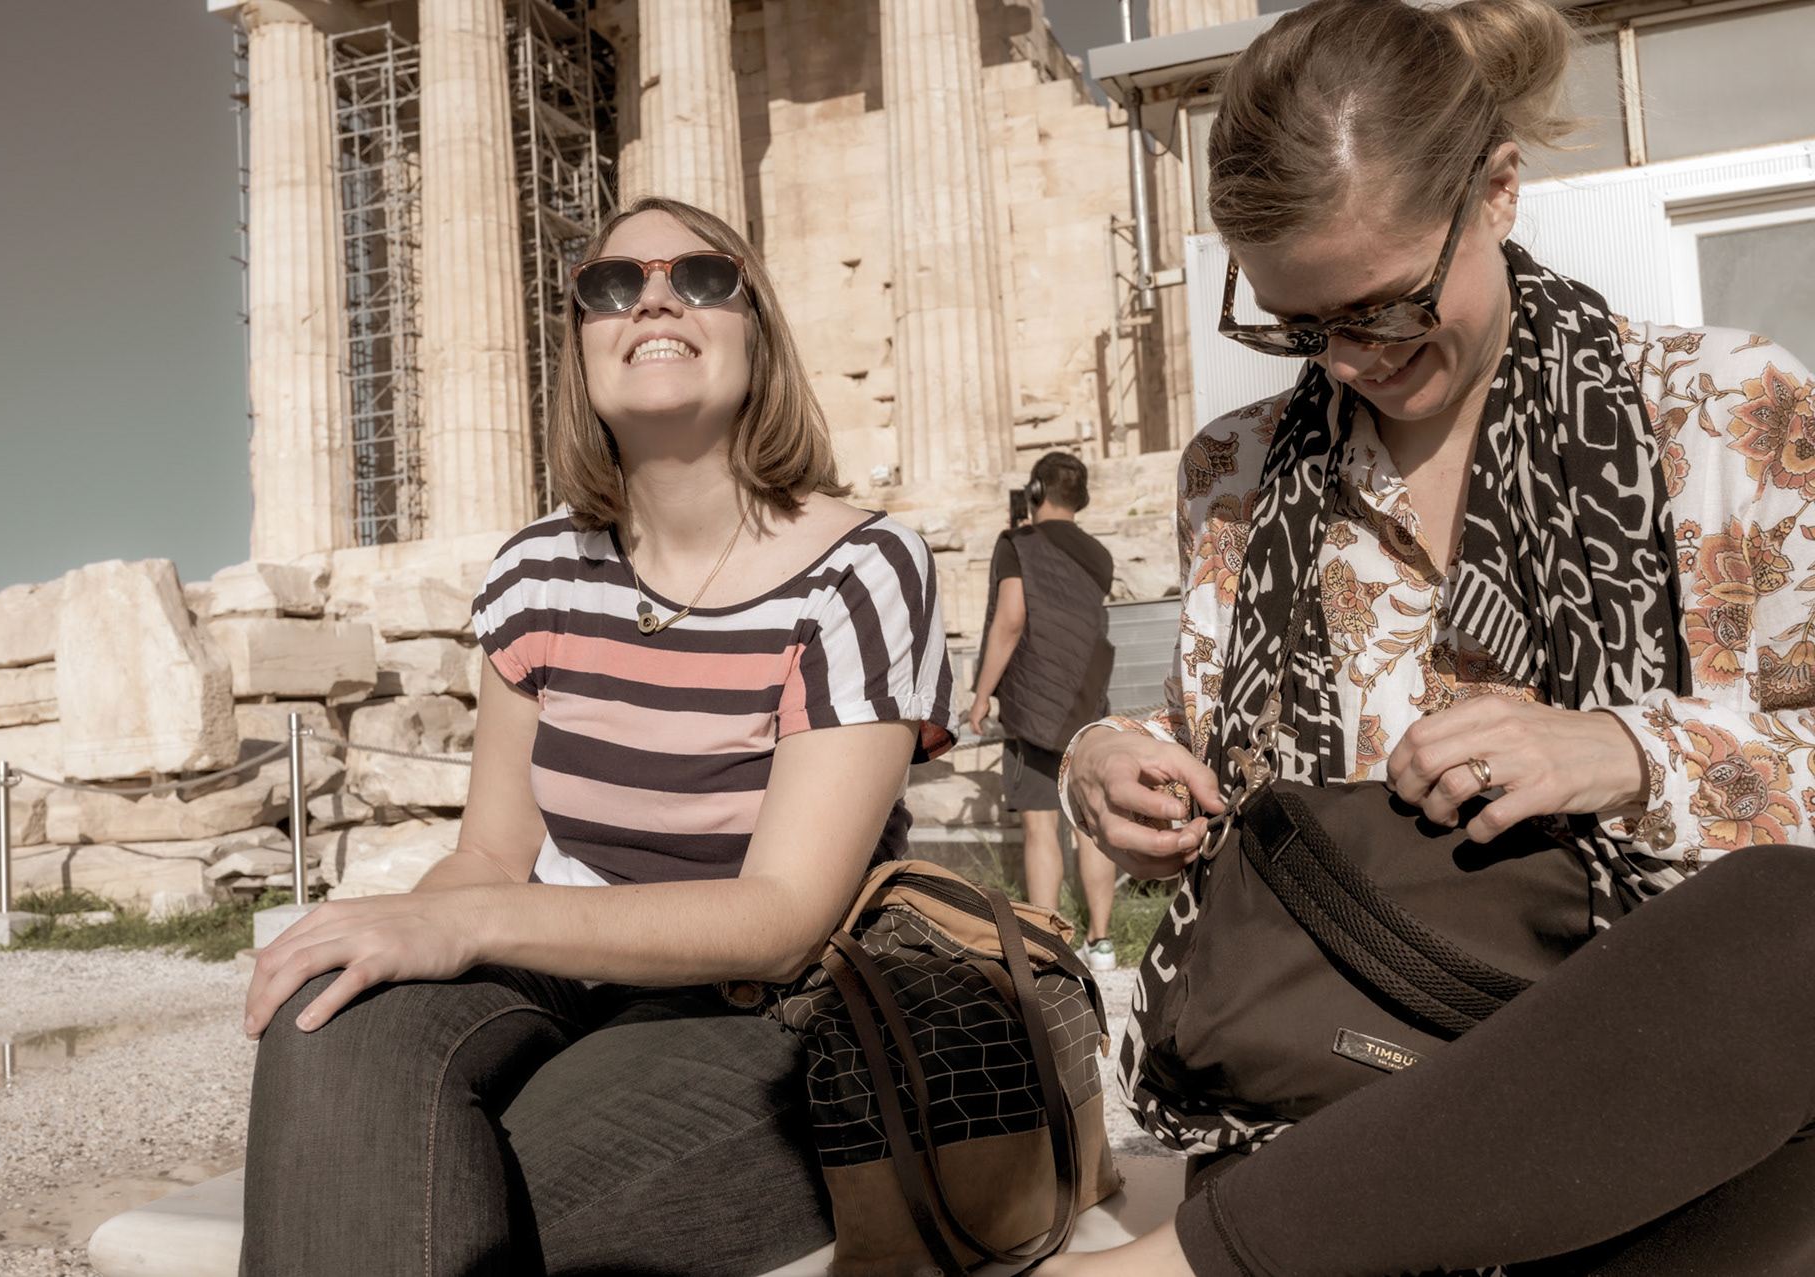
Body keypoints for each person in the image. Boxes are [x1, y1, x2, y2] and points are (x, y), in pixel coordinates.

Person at [1040, 0, 1815, 1272]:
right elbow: (1218, 763)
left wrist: (1628, 750)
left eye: (1387, 308)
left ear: (1500, 191)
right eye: (1296, 327)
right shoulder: (1233, 474)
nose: (1347, 361)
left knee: (1796, 929)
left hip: (1645, 1107)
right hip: (1330, 1087)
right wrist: (1110, 765)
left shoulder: (1733, 413)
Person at [237, 196, 957, 1276]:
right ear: (581, 346)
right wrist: (394, 931)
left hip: (774, 1003)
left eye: (701, 278)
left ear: (757, 328)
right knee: (331, 1023)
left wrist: (471, 924)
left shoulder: (862, 570)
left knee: (440, 1191)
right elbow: (490, 852)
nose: (655, 297)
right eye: (612, 285)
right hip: (566, 969)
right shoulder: (538, 570)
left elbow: (780, 919)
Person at [968, 451, 1120, 969]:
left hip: (1034, 701)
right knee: (1091, 824)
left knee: (1040, 828)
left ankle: (1047, 945)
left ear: (1034, 493)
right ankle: (1101, 942)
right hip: (1089, 698)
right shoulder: (1099, 555)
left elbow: (1011, 620)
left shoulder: (1019, 544)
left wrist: (982, 692)